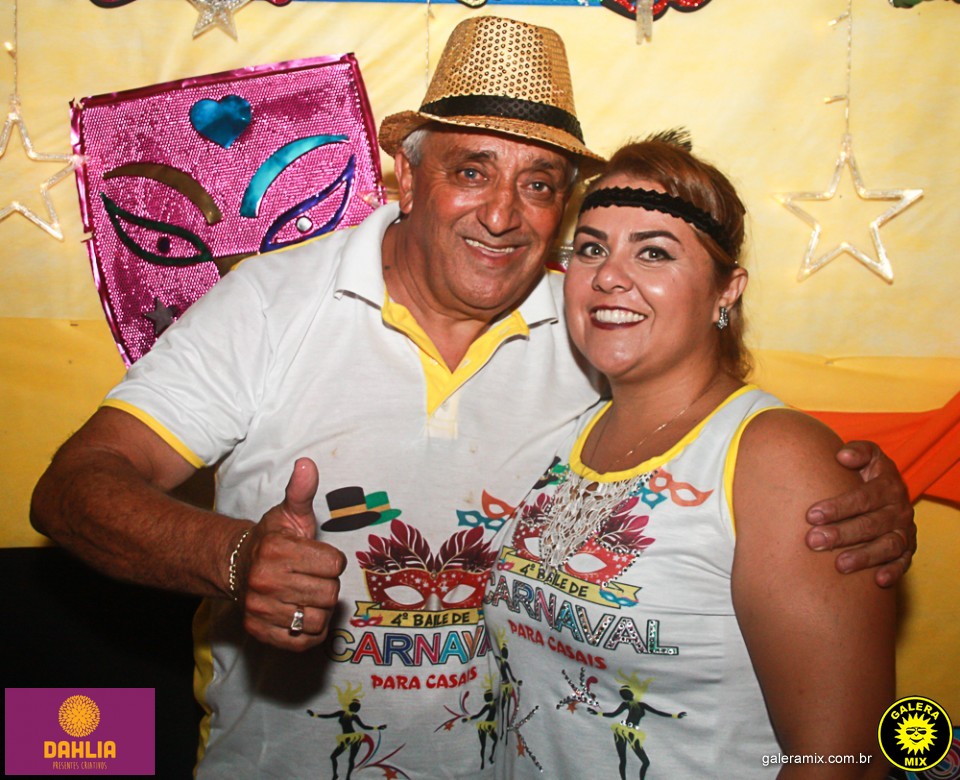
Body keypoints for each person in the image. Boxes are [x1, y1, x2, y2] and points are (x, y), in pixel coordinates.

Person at [31, 16, 911, 779]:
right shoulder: (272, 305)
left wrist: (842, 499)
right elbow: (74, 488)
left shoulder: (593, 327)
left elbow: (714, 448)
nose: (502, 214)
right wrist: (232, 558)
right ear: (408, 179)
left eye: (539, 184)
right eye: (472, 171)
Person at [484, 134, 896, 779]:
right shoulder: (570, 430)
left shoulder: (776, 459)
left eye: (653, 252)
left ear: (726, 291)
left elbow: (846, 758)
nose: (609, 276)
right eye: (591, 248)